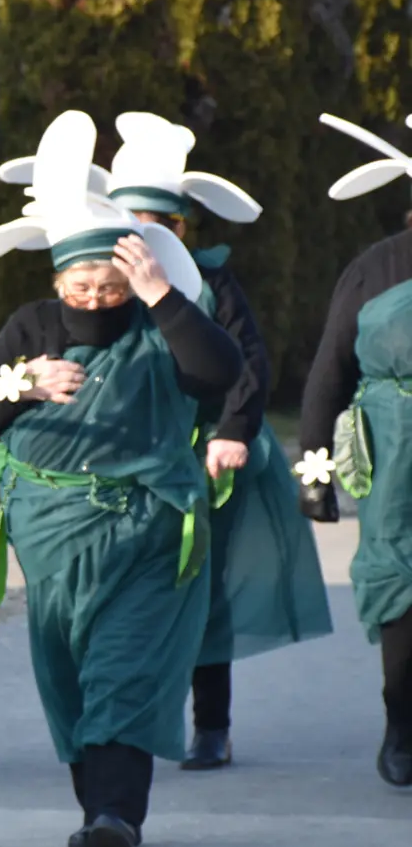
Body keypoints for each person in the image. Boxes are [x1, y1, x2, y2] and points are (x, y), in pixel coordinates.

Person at [0, 110, 242, 847]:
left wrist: (161, 294)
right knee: (70, 670)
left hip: (146, 530)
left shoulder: (160, 323)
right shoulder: (32, 325)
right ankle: (96, 805)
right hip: (52, 539)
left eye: (109, 285)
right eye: (79, 284)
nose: (92, 298)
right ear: (56, 279)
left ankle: (119, 811)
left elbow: (220, 373)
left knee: (126, 663)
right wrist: (23, 383)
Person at [106, 111, 331, 770]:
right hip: (130, 462)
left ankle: (211, 726)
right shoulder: (102, 283)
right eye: (133, 223)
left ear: (179, 228)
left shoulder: (213, 281)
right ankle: (131, 726)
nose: (145, 237)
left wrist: (233, 432)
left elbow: (248, 362)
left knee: (199, 588)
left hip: (203, 458)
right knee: (131, 598)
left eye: (160, 224)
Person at [298, 110, 412, 787]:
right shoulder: (375, 268)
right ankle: (402, 727)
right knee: (399, 580)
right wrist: (315, 472)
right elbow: (329, 371)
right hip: (394, 451)